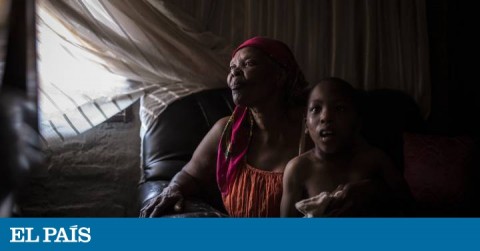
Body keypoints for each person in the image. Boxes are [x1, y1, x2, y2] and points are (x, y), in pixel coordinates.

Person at [140, 37, 309, 217]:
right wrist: (172, 189)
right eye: (232, 67)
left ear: (280, 75)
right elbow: (190, 175)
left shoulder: (310, 133)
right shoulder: (227, 131)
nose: (235, 73)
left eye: (248, 63)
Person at [280, 78, 413, 217]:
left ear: (357, 122)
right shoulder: (298, 169)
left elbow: (411, 212)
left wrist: (375, 191)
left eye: (339, 108)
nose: (325, 117)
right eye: (316, 109)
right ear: (306, 124)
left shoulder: (376, 161)